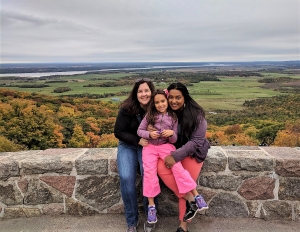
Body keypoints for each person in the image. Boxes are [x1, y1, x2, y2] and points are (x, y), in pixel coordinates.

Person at [137, 89, 203, 228]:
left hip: (169, 147)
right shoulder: (150, 115)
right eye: (157, 102)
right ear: (153, 104)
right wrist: (149, 135)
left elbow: (174, 140)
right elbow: (139, 131)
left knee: (178, 169)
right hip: (150, 147)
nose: (160, 104)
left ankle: (196, 196)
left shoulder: (174, 117)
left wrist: (171, 133)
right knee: (149, 172)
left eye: (162, 101)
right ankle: (151, 207)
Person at [156, 82, 210, 232]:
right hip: (175, 151)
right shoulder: (165, 113)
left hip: (193, 153)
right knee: (163, 169)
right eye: (171, 97)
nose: (173, 101)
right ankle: (192, 200)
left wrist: (175, 156)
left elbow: (196, 141)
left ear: (185, 97)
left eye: (178, 97)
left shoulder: (196, 114)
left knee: (184, 182)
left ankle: (183, 226)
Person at [114, 78, 155, 232]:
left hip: (148, 146)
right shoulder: (127, 108)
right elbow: (118, 132)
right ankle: (132, 221)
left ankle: (151, 217)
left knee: (149, 176)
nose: (144, 94)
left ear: (151, 91)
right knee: (126, 177)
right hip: (128, 145)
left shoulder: (156, 107)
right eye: (140, 91)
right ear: (135, 93)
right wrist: (138, 140)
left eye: (146, 90)